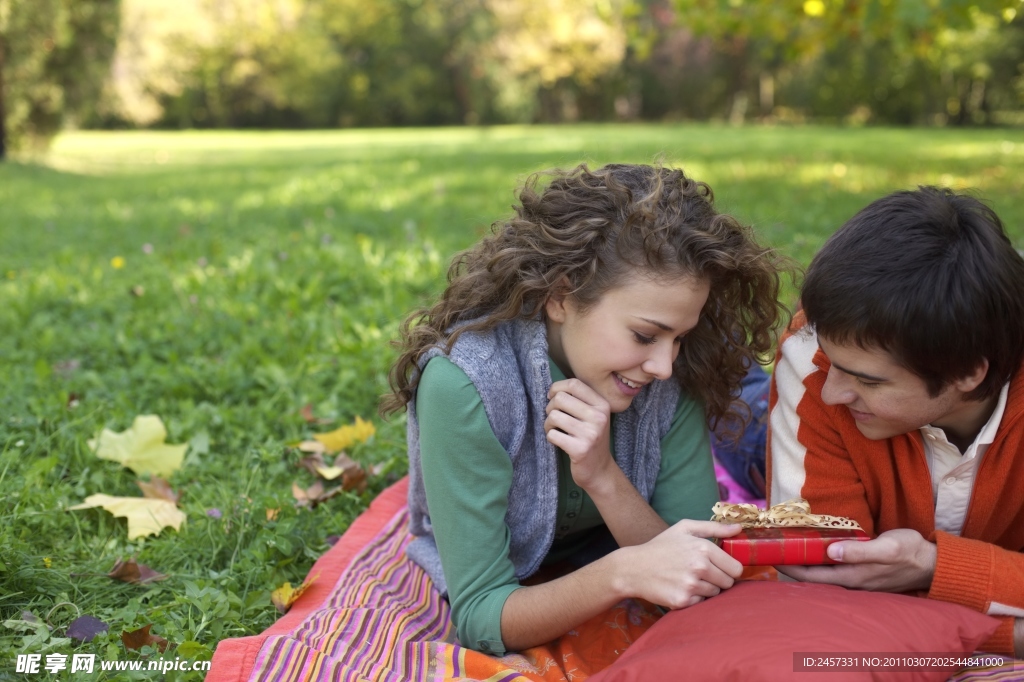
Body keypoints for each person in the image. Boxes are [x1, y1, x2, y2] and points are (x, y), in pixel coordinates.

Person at [381, 163, 788, 654]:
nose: (663, 364)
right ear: (561, 296)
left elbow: (698, 564)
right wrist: (622, 573)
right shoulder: (465, 383)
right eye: (644, 335)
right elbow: (482, 615)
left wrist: (602, 477)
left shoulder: (678, 368)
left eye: (679, 337)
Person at [767, 187, 1024, 656]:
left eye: (868, 381)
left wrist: (933, 565)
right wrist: (1008, 632)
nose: (831, 394)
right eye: (832, 363)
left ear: (967, 374)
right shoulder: (811, 359)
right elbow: (824, 596)